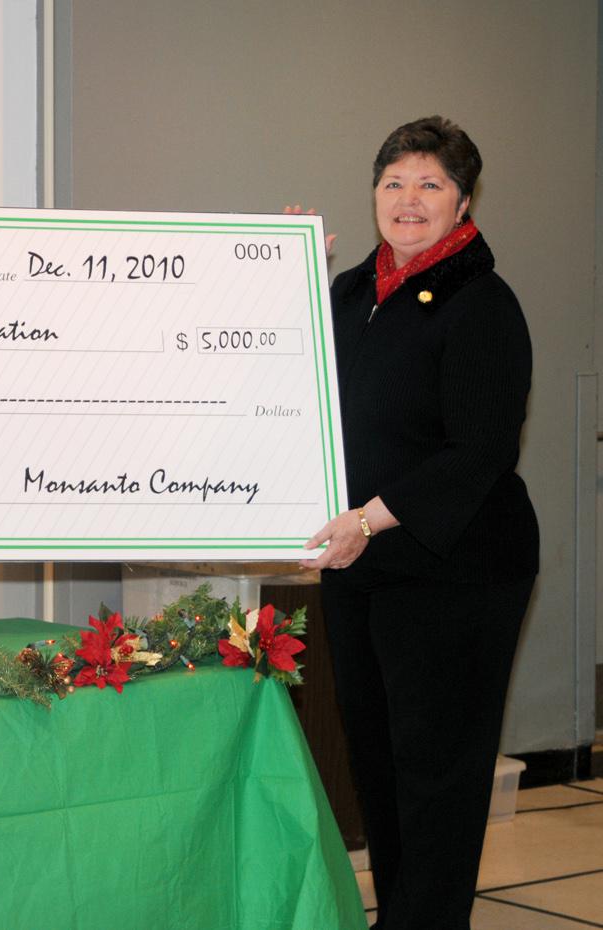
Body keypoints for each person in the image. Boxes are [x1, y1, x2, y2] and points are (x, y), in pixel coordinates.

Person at [300, 116, 538, 930]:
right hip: (365, 564)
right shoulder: (348, 291)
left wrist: (368, 518)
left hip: (458, 567)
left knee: (438, 770)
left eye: (431, 184)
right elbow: (292, 384)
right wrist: (283, 271)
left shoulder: (482, 304)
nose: (409, 200)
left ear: (463, 201)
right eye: (394, 182)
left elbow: (479, 453)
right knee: (380, 762)